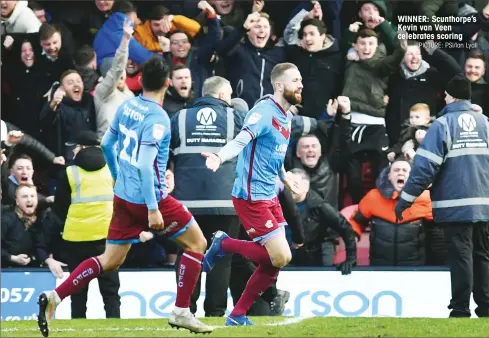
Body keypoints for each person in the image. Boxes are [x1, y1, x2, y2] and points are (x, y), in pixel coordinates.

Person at [37, 56, 213, 337]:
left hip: (122, 197)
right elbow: (145, 165)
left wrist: (118, 177)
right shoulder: (158, 119)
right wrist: (154, 208)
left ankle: (55, 297)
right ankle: (181, 311)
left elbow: (106, 143)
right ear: (167, 83)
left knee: (109, 261)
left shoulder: (127, 105)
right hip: (149, 198)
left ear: (141, 81)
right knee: (197, 244)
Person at [201, 63, 353, 326]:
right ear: (279, 85)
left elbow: (273, 153)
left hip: (269, 194)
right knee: (281, 256)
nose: (301, 85)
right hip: (251, 196)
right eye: (295, 80)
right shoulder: (262, 112)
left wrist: (285, 178)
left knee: (275, 263)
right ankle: (223, 244)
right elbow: (241, 140)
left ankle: (237, 315)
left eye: (301, 80)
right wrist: (218, 155)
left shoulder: (285, 115)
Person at [395, 74, 489, 318]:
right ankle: (486, 307)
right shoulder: (486, 123)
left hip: (455, 204)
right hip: (485, 205)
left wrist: (405, 200)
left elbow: (425, 167)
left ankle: (460, 309)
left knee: (461, 256)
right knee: (482, 255)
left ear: (451, 96)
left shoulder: (443, 125)